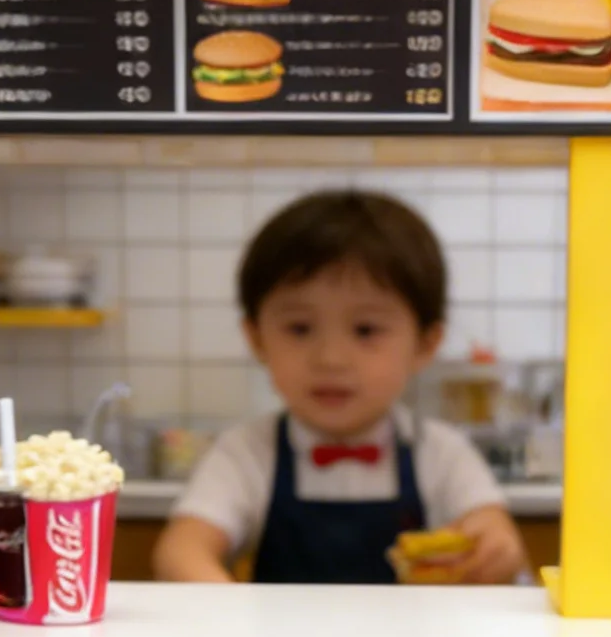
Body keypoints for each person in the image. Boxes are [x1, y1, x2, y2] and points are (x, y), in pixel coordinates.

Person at [152, 190, 528, 586]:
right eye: (300, 329)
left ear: (425, 344)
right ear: (257, 339)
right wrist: (230, 610)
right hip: (282, 631)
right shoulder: (247, 452)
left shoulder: (441, 453)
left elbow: (500, 539)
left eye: (365, 330)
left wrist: (492, 550)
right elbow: (180, 552)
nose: (331, 359)